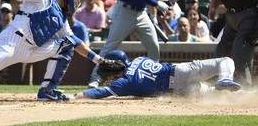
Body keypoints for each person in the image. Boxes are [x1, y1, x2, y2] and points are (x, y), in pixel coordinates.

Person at [0, 0, 119, 101]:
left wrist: (99, 60)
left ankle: (47, 91)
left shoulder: (62, 19)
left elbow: (76, 42)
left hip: (32, 50)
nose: (76, 1)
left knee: (67, 45)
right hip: (13, 40)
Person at [66, 50, 241, 99]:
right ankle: (226, 79)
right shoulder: (139, 59)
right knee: (225, 61)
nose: (108, 76)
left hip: (178, 91)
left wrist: (75, 95)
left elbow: (99, 92)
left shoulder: (124, 83)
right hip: (180, 71)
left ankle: (228, 84)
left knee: (215, 94)